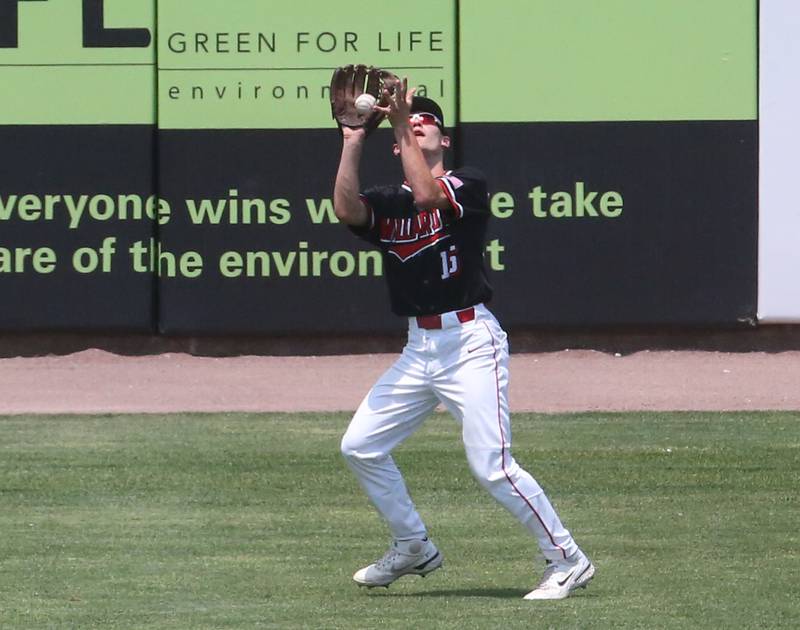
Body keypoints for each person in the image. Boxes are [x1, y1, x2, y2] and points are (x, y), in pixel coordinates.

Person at [332, 78, 594, 600]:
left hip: (470, 342)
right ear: (396, 142)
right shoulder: (388, 202)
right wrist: (352, 138)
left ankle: (567, 559)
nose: (421, 119)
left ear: (444, 141)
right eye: (415, 118)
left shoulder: (468, 185)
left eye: (430, 119)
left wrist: (401, 121)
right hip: (417, 349)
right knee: (359, 447)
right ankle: (413, 546)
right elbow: (347, 211)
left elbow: (430, 195)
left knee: (492, 467)